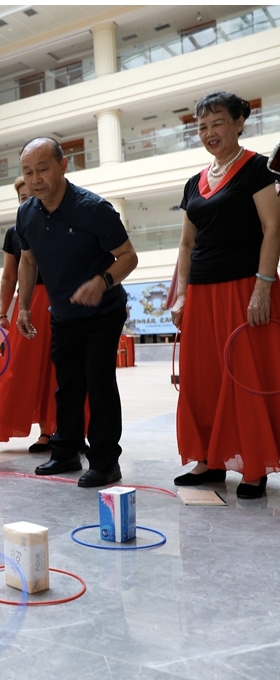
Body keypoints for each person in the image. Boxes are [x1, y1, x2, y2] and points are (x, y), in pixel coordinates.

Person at [171, 91, 280, 499]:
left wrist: (262, 287)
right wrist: (181, 297)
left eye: (218, 123)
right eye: (202, 126)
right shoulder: (192, 183)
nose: (209, 132)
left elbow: (273, 229)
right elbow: (186, 245)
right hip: (200, 290)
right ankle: (208, 461)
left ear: (238, 123)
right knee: (203, 379)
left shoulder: (257, 169)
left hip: (244, 289)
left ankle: (254, 467)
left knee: (245, 377)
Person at [16, 138, 138, 487]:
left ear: (63, 166)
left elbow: (128, 256)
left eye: (42, 168)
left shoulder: (93, 209)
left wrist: (102, 281)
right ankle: (66, 452)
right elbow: (27, 260)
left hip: (103, 311)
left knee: (98, 383)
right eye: (28, 172)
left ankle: (104, 462)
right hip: (64, 314)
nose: (35, 178)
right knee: (66, 386)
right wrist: (23, 306)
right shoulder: (27, 212)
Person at [0, 177, 56, 451]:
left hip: (62, 299)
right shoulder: (14, 232)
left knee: (61, 369)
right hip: (30, 303)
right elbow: (8, 276)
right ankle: (46, 431)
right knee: (28, 370)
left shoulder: (58, 223)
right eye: (22, 198)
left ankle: (66, 428)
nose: (27, 201)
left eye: (31, 196)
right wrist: (3, 312)